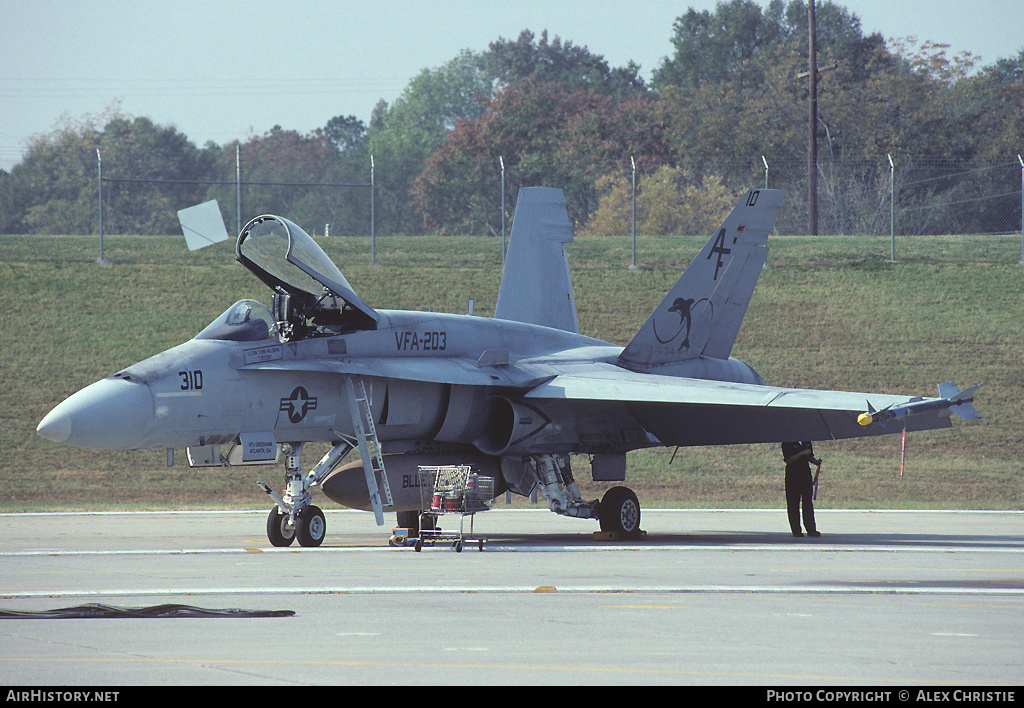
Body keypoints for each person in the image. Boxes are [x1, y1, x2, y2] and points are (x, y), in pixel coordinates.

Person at [781, 441, 821, 538]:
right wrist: (801, 453)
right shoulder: (787, 442)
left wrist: (815, 461)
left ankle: (811, 529)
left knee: (807, 502)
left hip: (805, 474)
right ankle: (796, 531)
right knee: (793, 503)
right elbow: (789, 460)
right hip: (792, 475)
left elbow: (809, 456)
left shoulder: (806, 442)